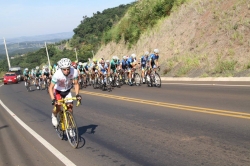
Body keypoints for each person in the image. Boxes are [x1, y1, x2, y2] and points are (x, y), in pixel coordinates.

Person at [48, 58, 82, 128]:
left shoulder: (74, 71)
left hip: (67, 90)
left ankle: (70, 127)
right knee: (59, 106)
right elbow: (50, 88)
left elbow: (76, 84)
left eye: (68, 69)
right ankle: (54, 115)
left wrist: (77, 94)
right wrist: (53, 99)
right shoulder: (57, 74)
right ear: (61, 69)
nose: (66, 71)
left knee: (70, 108)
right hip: (58, 91)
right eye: (64, 69)